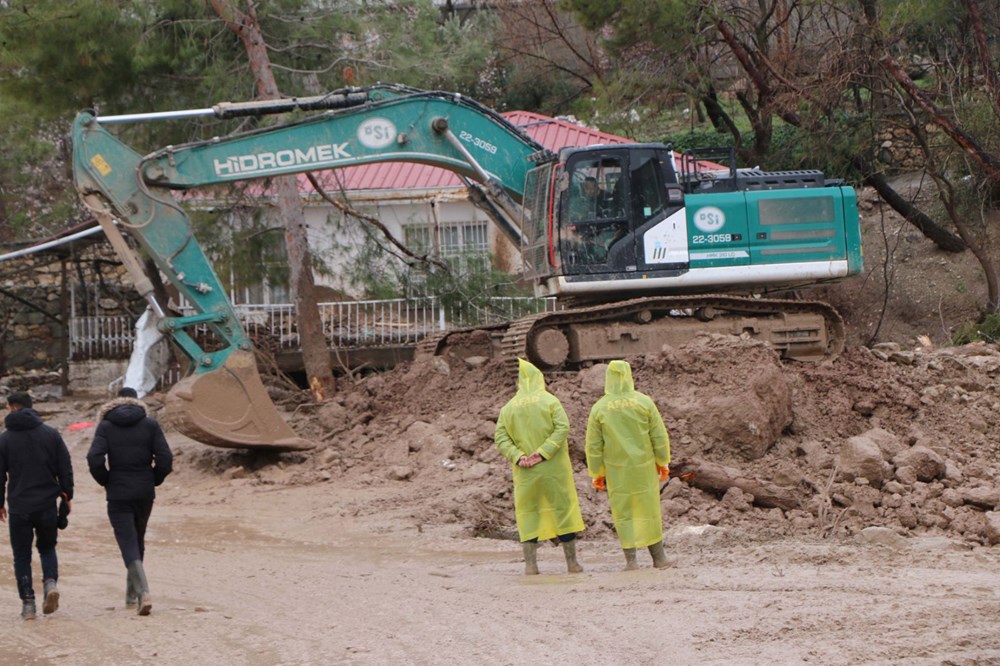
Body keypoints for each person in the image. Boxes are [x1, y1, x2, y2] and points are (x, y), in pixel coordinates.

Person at [87, 386, 172, 616]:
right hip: (144, 491)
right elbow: (165, 458)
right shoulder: (150, 424)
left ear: (116, 402)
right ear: (137, 402)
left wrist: (106, 480)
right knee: (138, 537)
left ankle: (143, 592)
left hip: (118, 491)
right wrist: (154, 479)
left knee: (127, 540)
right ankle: (131, 596)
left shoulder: (106, 426)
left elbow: (94, 458)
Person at [494, 359, 585, 575]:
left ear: (519, 382)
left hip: (525, 473)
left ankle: (531, 566)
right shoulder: (550, 401)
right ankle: (572, 564)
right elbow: (562, 428)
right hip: (554, 470)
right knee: (563, 511)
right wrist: (543, 452)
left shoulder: (508, 408)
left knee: (528, 514)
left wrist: (519, 457)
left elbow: (500, 438)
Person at [585, 360, 671, 571]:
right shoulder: (644, 402)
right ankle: (659, 559)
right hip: (644, 467)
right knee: (649, 510)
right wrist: (663, 461)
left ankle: (631, 561)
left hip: (617, 471)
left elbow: (594, 446)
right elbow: (659, 436)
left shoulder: (600, 408)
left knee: (623, 513)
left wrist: (597, 472)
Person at [0, 391, 74, 620]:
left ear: (12, 407)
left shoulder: (4, 439)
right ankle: (50, 583)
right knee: (47, 547)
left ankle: (28, 604)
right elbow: (65, 466)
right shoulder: (50, 434)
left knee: (21, 555)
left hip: (19, 506)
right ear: (31, 407)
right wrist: (67, 495)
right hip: (46, 504)